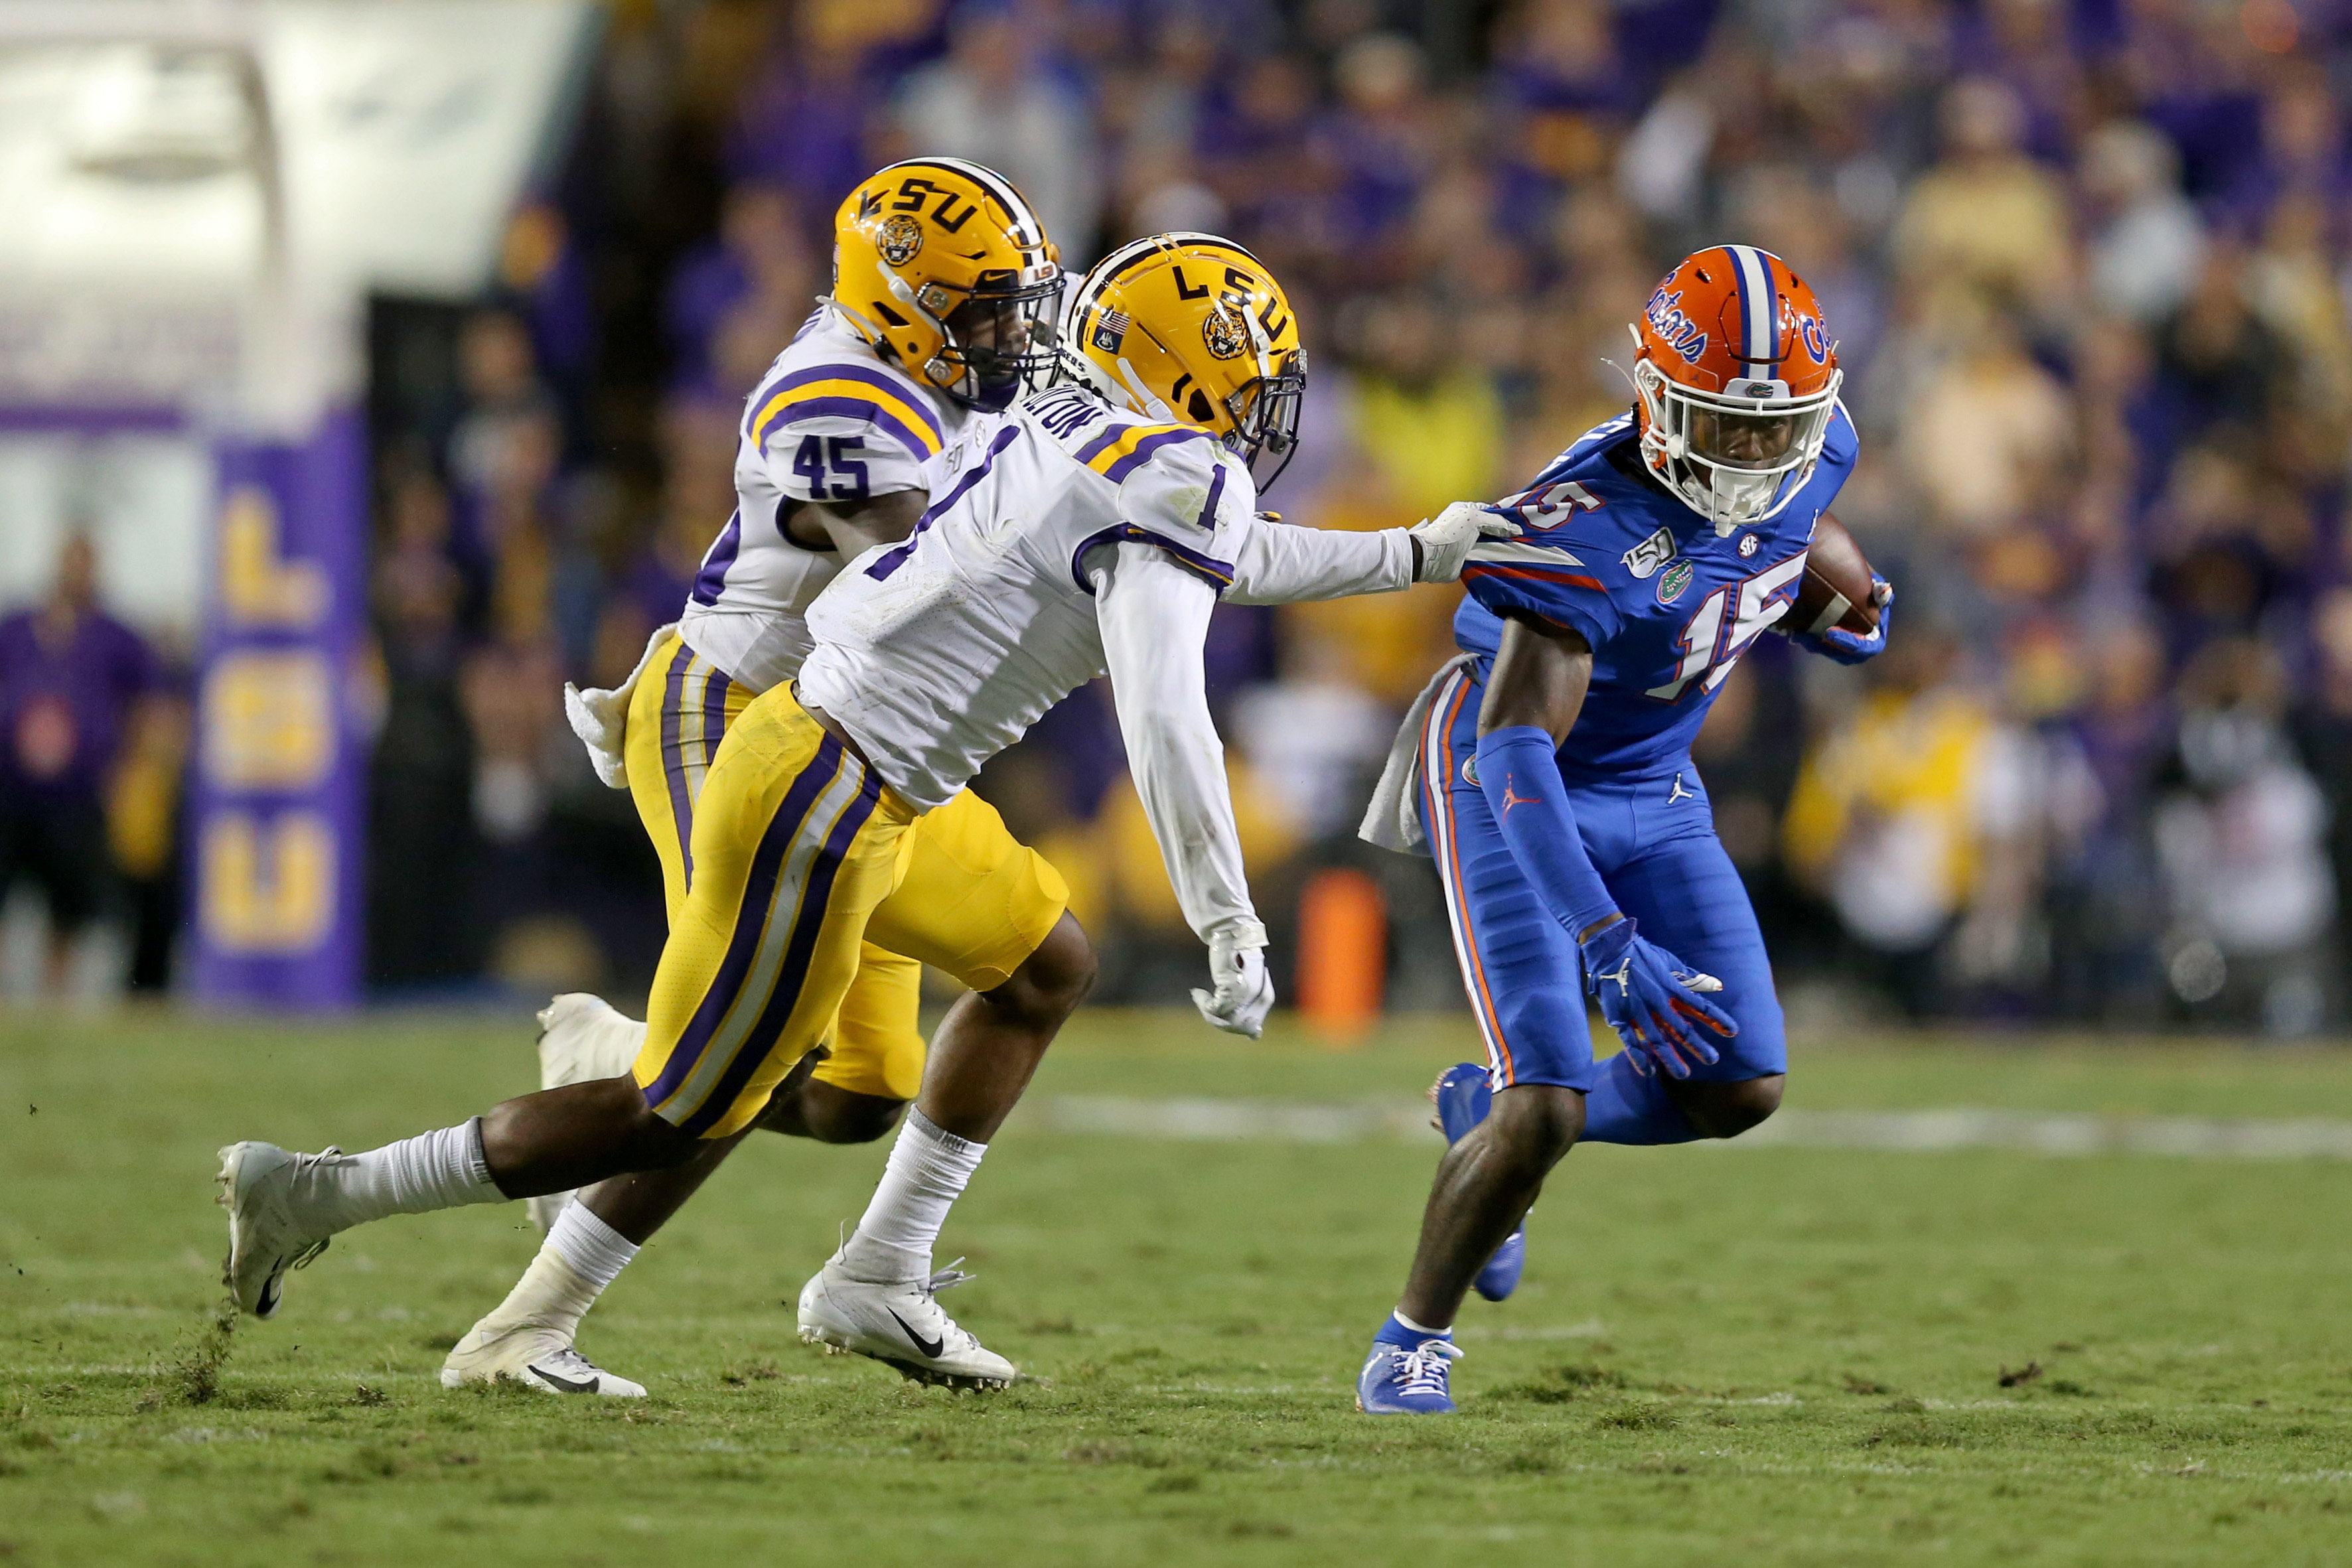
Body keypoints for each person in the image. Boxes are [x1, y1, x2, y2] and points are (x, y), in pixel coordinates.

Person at [214, 230, 1511, 1396]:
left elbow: (1212, 561)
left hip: (870, 774)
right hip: (816, 778)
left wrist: (1411, 549)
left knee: (1000, 991)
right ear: (1179, 377)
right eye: (1242, 383)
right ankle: (322, 1191)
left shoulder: (1078, 425)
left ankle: (877, 1269)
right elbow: (1167, 711)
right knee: (686, 1104)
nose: (1262, 415)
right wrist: (1227, 918)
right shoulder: (1140, 470)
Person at [1352, 247, 1890, 1414]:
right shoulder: (1578, 528)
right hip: (1507, 779)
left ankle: (1476, 1116)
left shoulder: (1813, 448)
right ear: (1652, 398)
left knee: (1736, 1080)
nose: (1752, 453)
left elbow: (1776, 543)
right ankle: (1410, 1339)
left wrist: (1829, 604)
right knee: (1540, 1097)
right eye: (1721, 425)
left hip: (1649, 780)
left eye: (1773, 428)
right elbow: (1513, 753)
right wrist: (1603, 939)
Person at [0, 533, 156, 997]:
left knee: (67, 904)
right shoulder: (17, 627)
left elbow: (147, 706)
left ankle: (54, 991)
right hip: (11, 789)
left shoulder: (116, 637)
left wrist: (124, 765)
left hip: (78, 795)